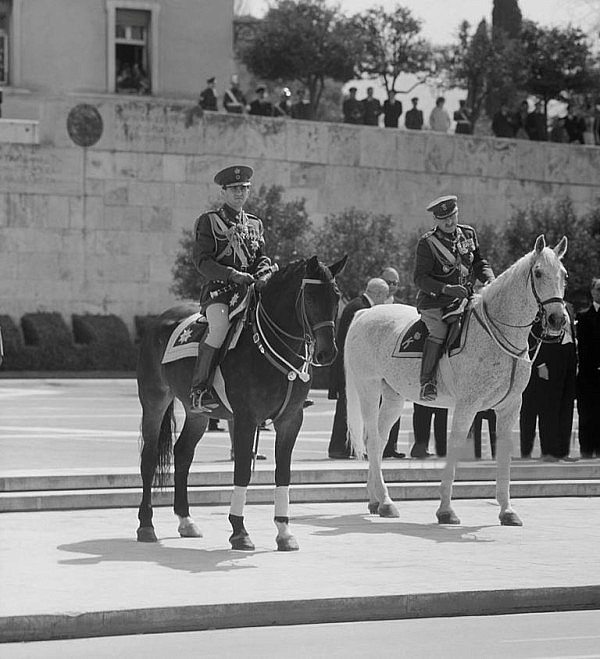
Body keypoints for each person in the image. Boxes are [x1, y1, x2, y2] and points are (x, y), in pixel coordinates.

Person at [190, 165, 273, 411]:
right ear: (223, 192)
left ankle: (281, 390)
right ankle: (200, 389)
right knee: (219, 328)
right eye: (234, 189)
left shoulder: (255, 224)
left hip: (250, 292)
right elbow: (202, 261)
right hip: (220, 292)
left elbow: (261, 258)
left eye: (244, 188)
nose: (239, 193)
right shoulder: (210, 222)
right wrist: (231, 274)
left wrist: (263, 272)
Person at [413, 194, 495, 401]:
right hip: (436, 301)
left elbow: (479, 262)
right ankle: (428, 382)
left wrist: (489, 279)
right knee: (440, 331)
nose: (449, 222)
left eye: (452, 216)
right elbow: (420, 278)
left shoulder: (468, 233)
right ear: (436, 220)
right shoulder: (427, 243)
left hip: (465, 298)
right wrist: (446, 289)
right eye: (444, 219)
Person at [328, 278, 390, 459]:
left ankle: (344, 447)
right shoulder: (360, 308)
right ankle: (340, 447)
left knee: (349, 407)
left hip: (351, 365)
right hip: (351, 367)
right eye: (384, 297)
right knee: (348, 408)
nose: (384, 301)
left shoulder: (357, 305)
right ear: (377, 294)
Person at [520, 308, 577, 461]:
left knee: (565, 409)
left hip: (568, 361)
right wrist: (539, 364)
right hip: (546, 365)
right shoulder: (539, 310)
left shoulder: (569, 308)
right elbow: (531, 339)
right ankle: (547, 451)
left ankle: (562, 452)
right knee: (546, 409)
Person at [380, 267, 405, 459]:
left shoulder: (402, 307)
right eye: (389, 282)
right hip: (376, 365)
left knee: (395, 405)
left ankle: (391, 446)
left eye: (395, 283)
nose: (392, 286)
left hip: (393, 366)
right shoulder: (374, 308)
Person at [576, 277, 600, 459]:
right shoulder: (582, 316)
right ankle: (586, 453)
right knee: (587, 418)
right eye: (598, 289)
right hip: (588, 377)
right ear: (592, 291)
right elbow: (583, 348)